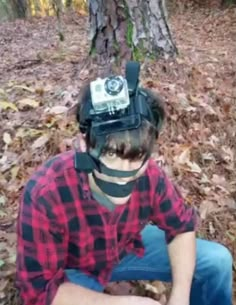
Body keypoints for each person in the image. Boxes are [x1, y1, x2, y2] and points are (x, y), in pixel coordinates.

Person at [16, 62, 233, 305]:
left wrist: (180, 296)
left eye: (136, 158)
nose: (124, 173)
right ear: (84, 145)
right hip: (74, 269)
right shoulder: (47, 192)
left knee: (217, 260)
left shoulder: (150, 175)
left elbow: (181, 226)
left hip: (126, 246)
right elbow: (38, 290)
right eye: (110, 155)